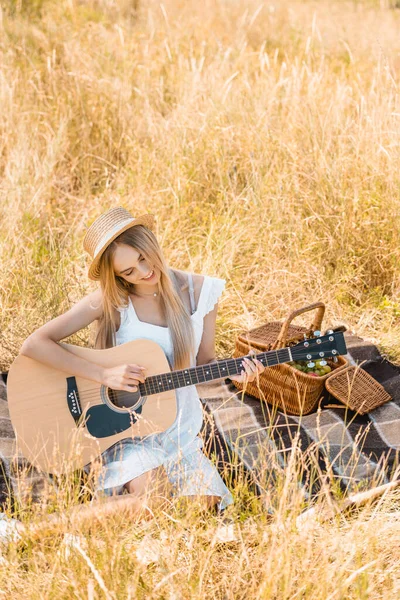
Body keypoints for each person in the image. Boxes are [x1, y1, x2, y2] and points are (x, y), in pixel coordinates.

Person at [17, 206, 265, 525]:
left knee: (202, 509)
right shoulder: (113, 301)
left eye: (143, 258)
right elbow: (34, 344)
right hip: (126, 429)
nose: (143, 273)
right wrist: (104, 373)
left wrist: (233, 371)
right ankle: (27, 531)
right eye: (129, 272)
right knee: (155, 502)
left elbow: (205, 363)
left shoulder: (203, 293)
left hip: (180, 432)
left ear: (150, 241)